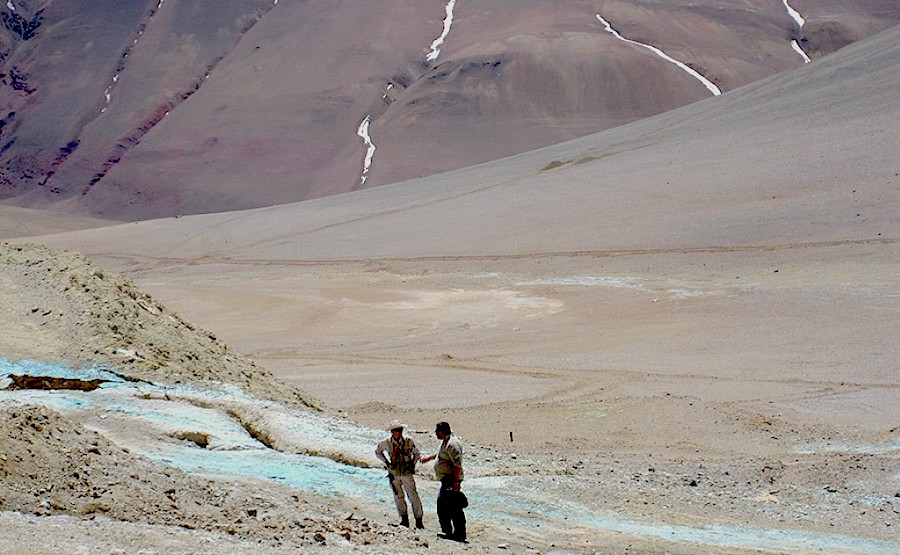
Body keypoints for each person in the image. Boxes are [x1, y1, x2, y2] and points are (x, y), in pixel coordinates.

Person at [422, 421, 466, 542]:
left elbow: (457, 466)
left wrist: (456, 483)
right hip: (446, 479)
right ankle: (450, 531)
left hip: (451, 479)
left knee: (451, 507)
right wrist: (430, 458)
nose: (436, 434)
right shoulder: (446, 442)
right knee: (447, 506)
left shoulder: (453, 444)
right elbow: (442, 454)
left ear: (441, 432)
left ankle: (457, 533)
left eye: (437, 432)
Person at [374, 419, 424, 529]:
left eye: (400, 430)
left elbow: (417, 453)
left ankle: (419, 520)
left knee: (413, 496)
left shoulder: (409, 440)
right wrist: (387, 462)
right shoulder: (386, 442)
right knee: (398, 496)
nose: (399, 432)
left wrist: (412, 464)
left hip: (406, 473)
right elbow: (378, 452)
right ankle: (404, 519)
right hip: (394, 473)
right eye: (397, 430)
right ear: (392, 432)